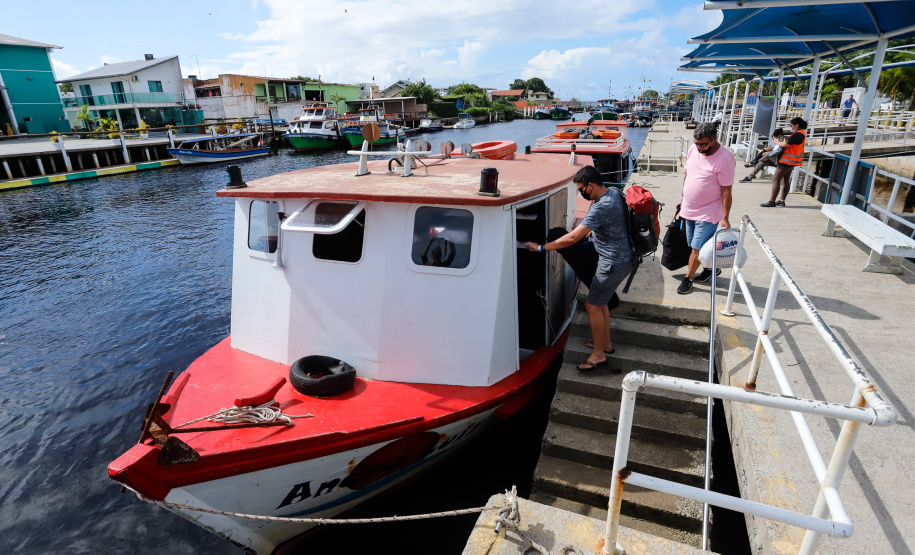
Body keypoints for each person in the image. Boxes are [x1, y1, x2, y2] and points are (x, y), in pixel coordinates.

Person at [524, 166, 634, 370]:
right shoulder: (613, 193)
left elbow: (574, 237)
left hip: (612, 262)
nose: (581, 192)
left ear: (590, 186)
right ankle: (605, 344)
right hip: (618, 257)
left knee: (593, 305)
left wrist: (541, 247)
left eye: (581, 189)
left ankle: (599, 354)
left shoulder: (602, 206)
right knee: (601, 303)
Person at [677, 122, 734, 295]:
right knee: (692, 243)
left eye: (703, 144)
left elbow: (726, 191)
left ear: (714, 139)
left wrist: (725, 217)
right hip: (689, 207)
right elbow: (688, 174)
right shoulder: (694, 149)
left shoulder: (725, 158)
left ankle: (688, 279)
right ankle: (711, 270)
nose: (699, 147)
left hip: (709, 210)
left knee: (697, 248)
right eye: (697, 143)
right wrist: (683, 198)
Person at [760, 117, 806, 207]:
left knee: (775, 180)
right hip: (791, 161)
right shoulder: (801, 133)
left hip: (787, 161)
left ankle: (772, 201)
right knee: (785, 180)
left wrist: (776, 141)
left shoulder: (797, 134)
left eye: (791, 126)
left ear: (797, 125)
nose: (791, 127)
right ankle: (781, 200)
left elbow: (784, 144)